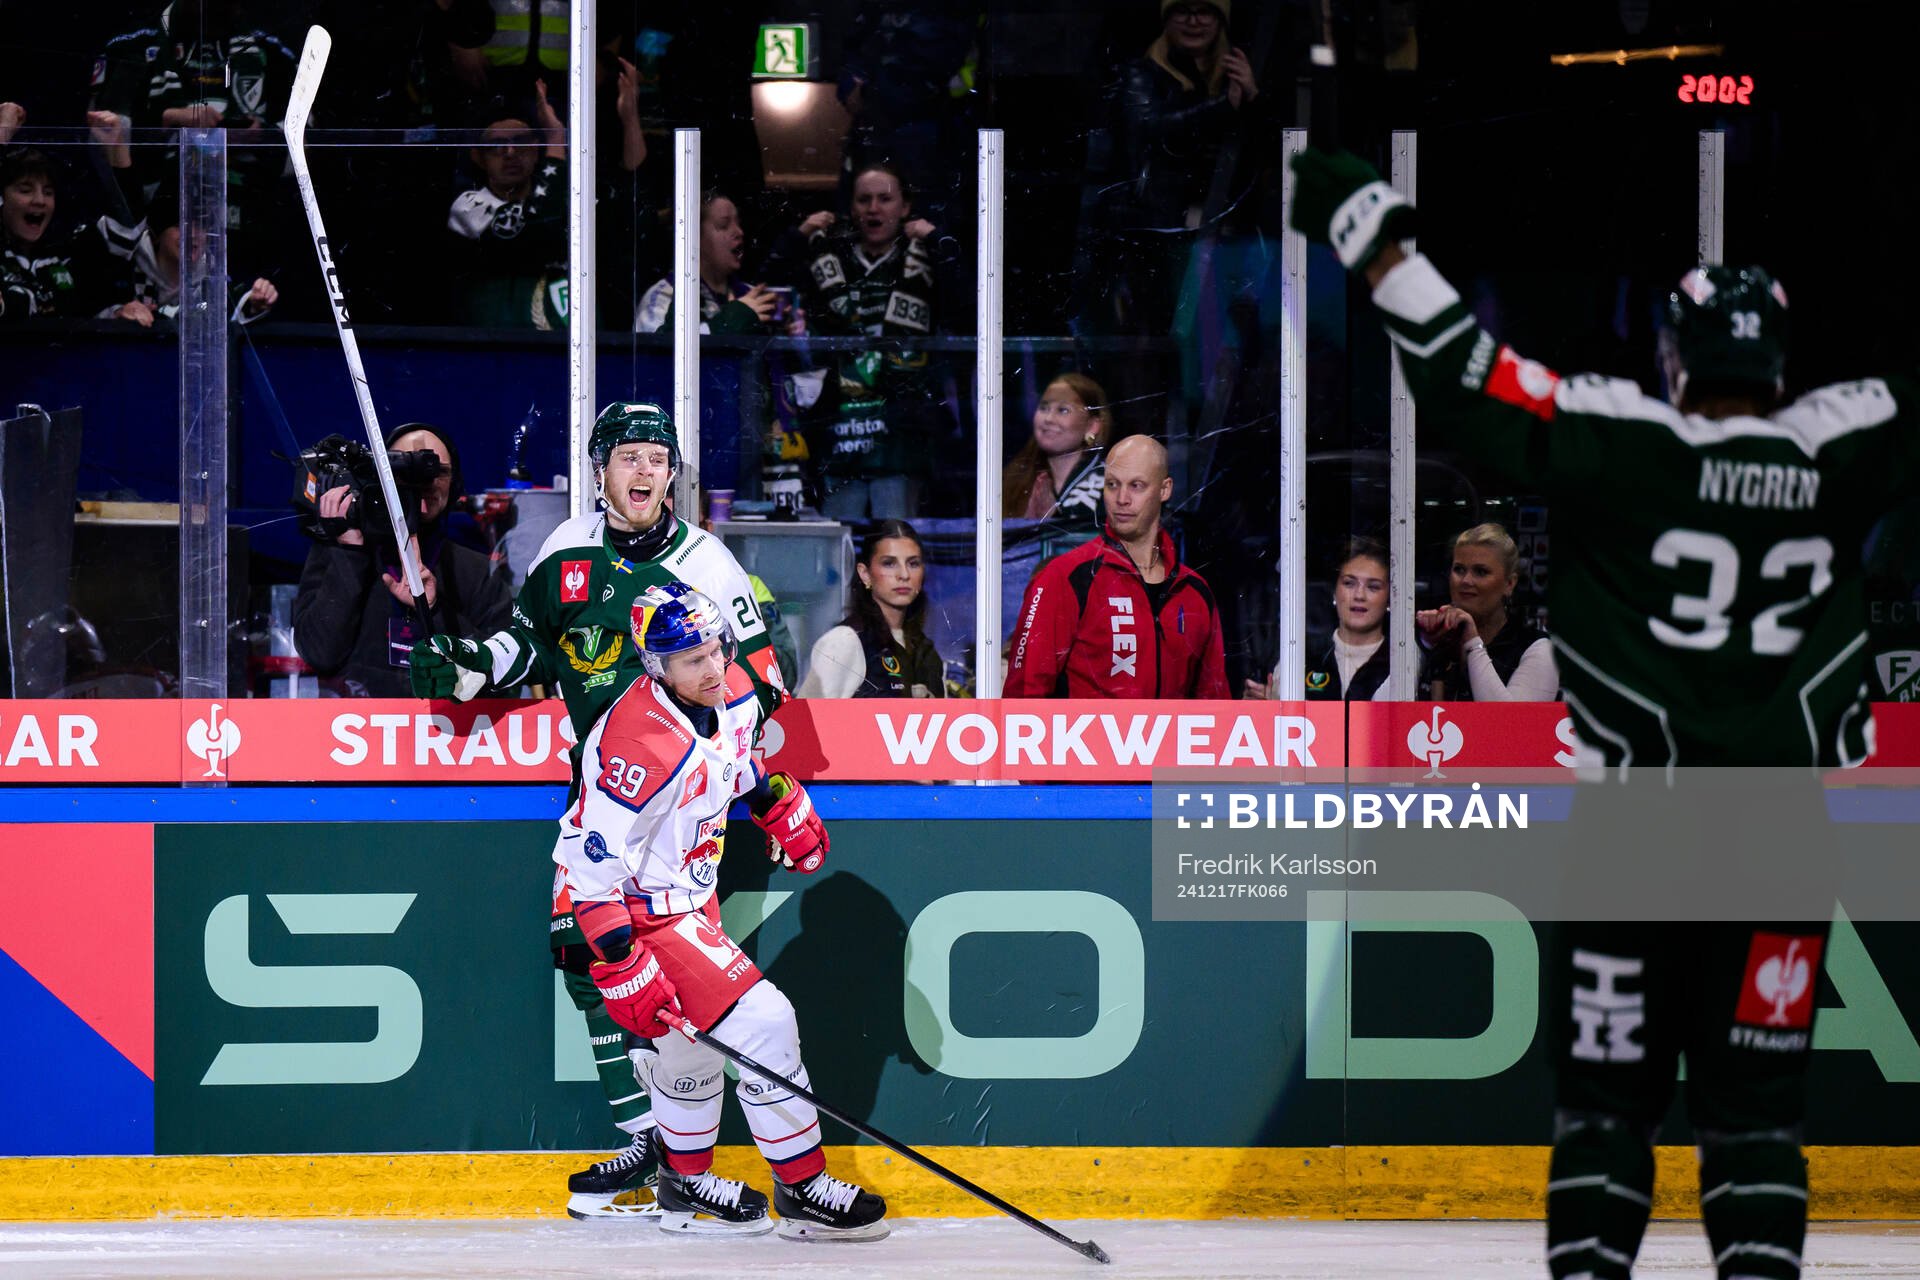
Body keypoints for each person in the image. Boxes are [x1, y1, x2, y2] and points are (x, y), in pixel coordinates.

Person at [1290, 145, 1917, 1280]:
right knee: (1759, 1112)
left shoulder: (1622, 435)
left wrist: (1374, 244)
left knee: (1606, 1107)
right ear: (1778, 360)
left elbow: (1463, 367)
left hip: (1638, 835)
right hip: (1780, 835)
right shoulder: (1848, 443)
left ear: (1675, 358)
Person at [408, 401, 783, 1220]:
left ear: (673, 474)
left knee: (672, 984)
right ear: (601, 471)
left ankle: (676, 1160)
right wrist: (473, 666)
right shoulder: (567, 549)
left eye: (658, 458)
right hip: (604, 791)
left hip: (680, 804)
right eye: (628, 458)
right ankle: (653, 1144)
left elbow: (766, 675)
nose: (644, 471)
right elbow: (532, 643)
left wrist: (728, 769)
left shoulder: (708, 564)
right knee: (587, 957)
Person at [560, 582, 887, 1240]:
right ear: (656, 666)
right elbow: (584, 868)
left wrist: (773, 799)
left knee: (688, 1053)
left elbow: (735, 766)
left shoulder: (733, 689)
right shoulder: (636, 744)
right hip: (642, 910)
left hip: (691, 896)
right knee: (766, 1022)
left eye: (716, 650)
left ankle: (684, 1186)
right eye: (691, 660)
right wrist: (621, 963)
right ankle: (801, 1187)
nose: (712, 669)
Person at [1078, 0, 1268, 336]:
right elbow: (1151, 128)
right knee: (1151, 337)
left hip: (1218, 235)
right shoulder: (1141, 75)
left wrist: (1251, 99)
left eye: (1205, 11)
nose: (1193, 22)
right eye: (1182, 11)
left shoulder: (1235, 78)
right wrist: (1225, 107)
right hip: (1152, 236)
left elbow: (1261, 153)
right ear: (1166, 19)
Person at [292, 423, 509, 697]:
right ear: (380, 476)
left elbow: (502, 671)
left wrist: (433, 610)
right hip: (358, 728)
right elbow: (319, 654)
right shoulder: (341, 551)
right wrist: (350, 552)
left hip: (451, 729)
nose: (424, 481)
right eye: (403, 468)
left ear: (455, 484)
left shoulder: (475, 570)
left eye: (438, 471)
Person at [782, 162, 946, 521]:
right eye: (864, 200)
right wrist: (801, 234)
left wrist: (934, 238)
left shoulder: (923, 256)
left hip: (901, 431)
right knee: (839, 545)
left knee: (896, 540)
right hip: (840, 431)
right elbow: (771, 279)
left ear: (904, 207)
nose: (873, 208)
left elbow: (971, 294)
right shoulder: (831, 256)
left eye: (885, 199)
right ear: (852, 209)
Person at [1005, 435, 1228, 698]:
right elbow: (1022, 701)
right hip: (1085, 740)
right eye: (1112, 485)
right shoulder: (1066, 577)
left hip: (1168, 740)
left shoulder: (1194, 592)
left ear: (1165, 489)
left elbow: (1214, 707)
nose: (1122, 498)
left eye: (1136, 485)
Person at [446, 89, 568, 328]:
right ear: (478, 157)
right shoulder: (469, 207)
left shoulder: (564, 194)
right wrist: (555, 139)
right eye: (496, 145)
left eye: (521, 143)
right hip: (491, 334)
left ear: (536, 149)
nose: (510, 153)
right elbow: (536, 233)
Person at [0, 147, 152, 324]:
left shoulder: (68, 250)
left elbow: (126, 233)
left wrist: (119, 312)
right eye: (25, 191)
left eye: (48, 193)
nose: (40, 200)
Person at [797, 519, 944, 699]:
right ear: (865, 574)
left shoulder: (924, 649)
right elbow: (803, 721)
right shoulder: (846, 641)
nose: (904, 575)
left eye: (913, 563)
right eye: (889, 563)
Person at [1417, 523, 1558, 702]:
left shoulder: (1536, 648)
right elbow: (1384, 711)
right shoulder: (1438, 641)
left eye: (1481, 572)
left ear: (1509, 584)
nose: (1466, 580)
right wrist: (1425, 645)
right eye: (1459, 569)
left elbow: (1510, 725)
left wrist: (1473, 643)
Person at [635, 191, 800, 338]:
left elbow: (807, 368)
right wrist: (735, 318)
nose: (739, 232)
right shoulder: (664, 296)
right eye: (724, 225)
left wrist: (796, 336)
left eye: (738, 223)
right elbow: (656, 361)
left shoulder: (753, 296)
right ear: (694, 237)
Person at [1245, 538, 1391, 701]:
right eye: (1349, 583)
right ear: (1335, 592)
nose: (1359, 595)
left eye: (1373, 587)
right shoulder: (1299, 658)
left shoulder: (1405, 660)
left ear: (1390, 598)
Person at [1002, 372, 1109, 533]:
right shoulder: (1013, 478)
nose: (1049, 418)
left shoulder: (1111, 482)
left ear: (1092, 426)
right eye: (1044, 407)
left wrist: (1052, 519)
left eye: (1063, 410)